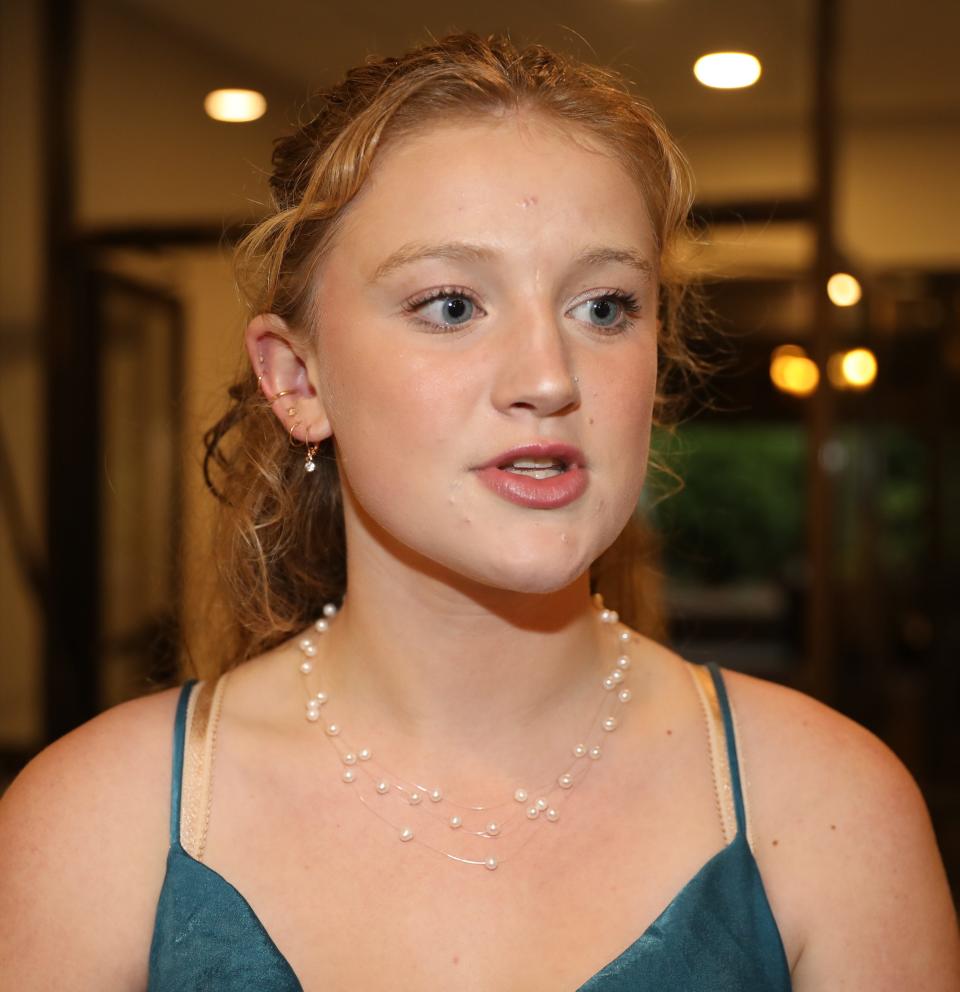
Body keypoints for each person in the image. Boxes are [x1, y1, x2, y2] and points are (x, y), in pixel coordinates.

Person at [1, 32, 958, 992]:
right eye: (453, 305)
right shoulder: (94, 830)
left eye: (605, 308)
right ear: (298, 379)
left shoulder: (830, 812)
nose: (549, 378)